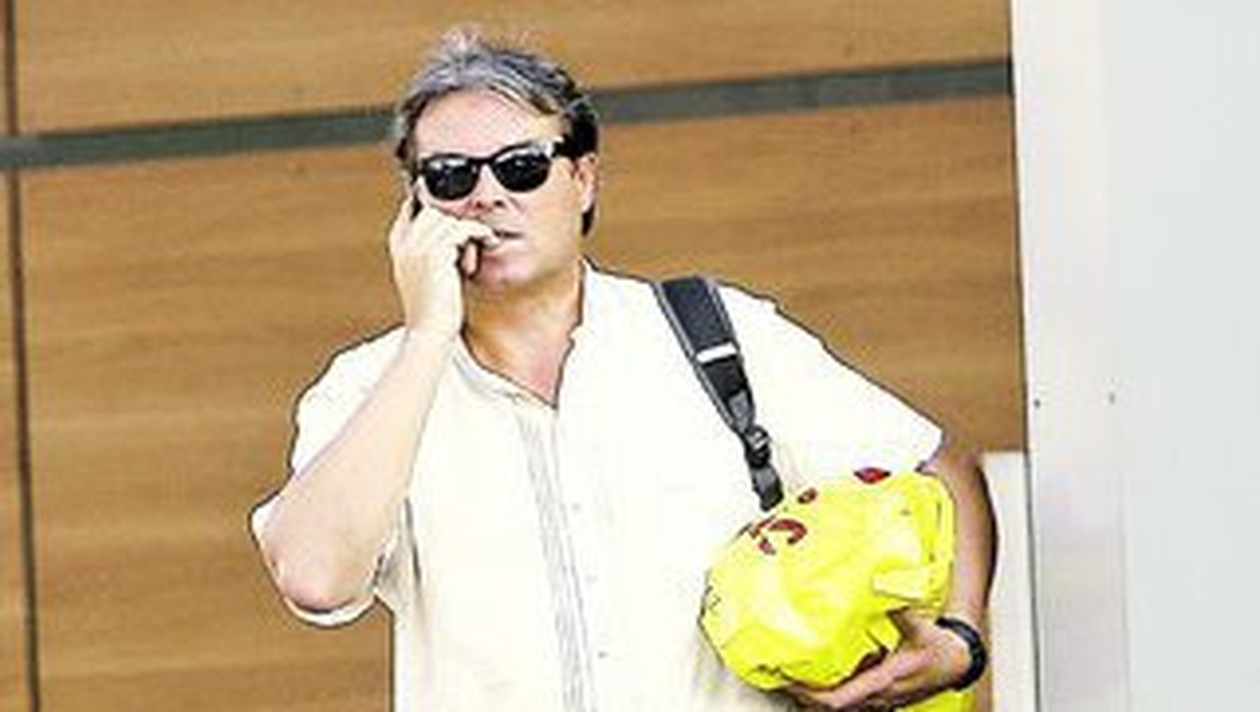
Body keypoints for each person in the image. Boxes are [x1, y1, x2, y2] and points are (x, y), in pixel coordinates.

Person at [250, 27, 997, 712]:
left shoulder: (714, 336)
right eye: (449, 176)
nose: (487, 196)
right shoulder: (369, 388)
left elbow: (939, 469)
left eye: (521, 167)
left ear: (583, 179)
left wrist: (959, 641)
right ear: (415, 205)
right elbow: (315, 579)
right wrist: (426, 335)